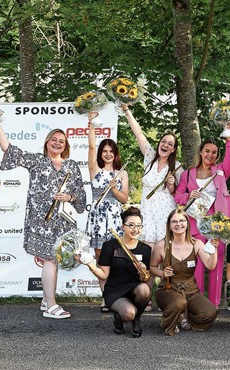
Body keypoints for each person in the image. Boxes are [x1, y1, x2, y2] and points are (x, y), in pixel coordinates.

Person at [0, 109, 86, 319]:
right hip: (41, 222)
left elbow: (80, 192)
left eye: (61, 141)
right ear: (47, 142)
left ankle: (45, 299)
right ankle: (51, 305)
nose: (57, 143)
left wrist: (69, 197)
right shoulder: (37, 161)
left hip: (64, 223)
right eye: (53, 139)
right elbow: (8, 149)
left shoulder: (72, 165)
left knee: (56, 259)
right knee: (50, 259)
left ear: (66, 145)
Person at [174, 137, 230, 307]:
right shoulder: (188, 173)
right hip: (196, 224)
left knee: (217, 263)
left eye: (214, 152)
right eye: (207, 151)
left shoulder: (221, 170)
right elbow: (178, 196)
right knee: (198, 265)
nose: (210, 155)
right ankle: (198, 304)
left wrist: (229, 140)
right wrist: (188, 196)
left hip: (218, 224)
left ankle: (213, 305)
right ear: (201, 152)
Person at [78, 207, 150, 337]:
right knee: (128, 313)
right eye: (131, 225)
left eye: (139, 226)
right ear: (123, 227)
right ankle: (119, 317)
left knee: (145, 289)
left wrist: (143, 271)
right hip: (115, 290)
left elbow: (144, 279)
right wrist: (89, 263)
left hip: (135, 289)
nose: (136, 229)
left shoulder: (145, 249)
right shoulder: (110, 246)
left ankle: (137, 319)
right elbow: (104, 275)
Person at [85, 111, 129, 313]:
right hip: (97, 219)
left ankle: (117, 295)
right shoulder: (94, 169)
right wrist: (91, 124)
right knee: (101, 259)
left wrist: (114, 188)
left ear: (115, 153)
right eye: (105, 151)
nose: (108, 154)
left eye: (111, 151)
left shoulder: (123, 173)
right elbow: (92, 146)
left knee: (117, 259)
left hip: (114, 218)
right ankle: (105, 298)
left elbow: (124, 199)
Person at [150, 209, 218, 336]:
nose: (178, 224)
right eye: (174, 221)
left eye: (182, 220)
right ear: (169, 226)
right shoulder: (161, 245)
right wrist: (162, 273)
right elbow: (152, 267)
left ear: (187, 223)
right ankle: (168, 321)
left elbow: (210, 265)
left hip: (190, 289)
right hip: (168, 289)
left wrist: (214, 249)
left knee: (210, 312)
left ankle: (183, 317)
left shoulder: (196, 244)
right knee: (178, 302)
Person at [123, 105, 182, 246]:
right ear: (159, 144)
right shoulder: (149, 157)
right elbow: (139, 134)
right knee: (147, 251)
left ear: (173, 149)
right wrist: (126, 110)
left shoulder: (177, 167)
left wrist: (171, 184)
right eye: (163, 142)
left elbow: (178, 194)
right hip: (147, 211)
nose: (165, 145)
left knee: (163, 250)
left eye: (170, 144)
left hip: (165, 212)